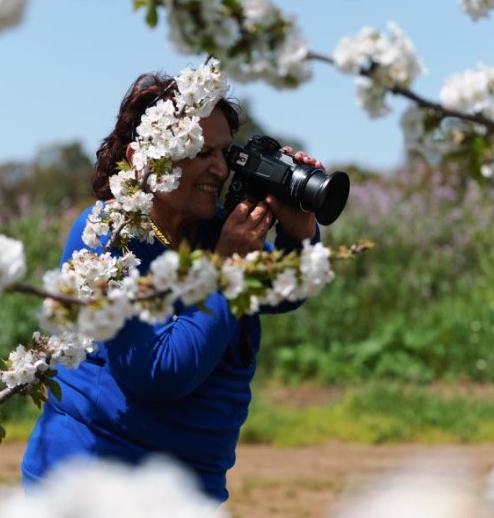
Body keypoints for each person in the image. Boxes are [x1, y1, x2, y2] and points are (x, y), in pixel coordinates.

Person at [20, 71, 325, 503]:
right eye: (201, 153)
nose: (219, 169)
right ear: (142, 159)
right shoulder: (108, 236)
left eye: (224, 153)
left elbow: (282, 292)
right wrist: (227, 268)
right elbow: (159, 372)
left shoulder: (213, 231)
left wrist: (300, 233)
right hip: (93, 491)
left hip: (191, 492)